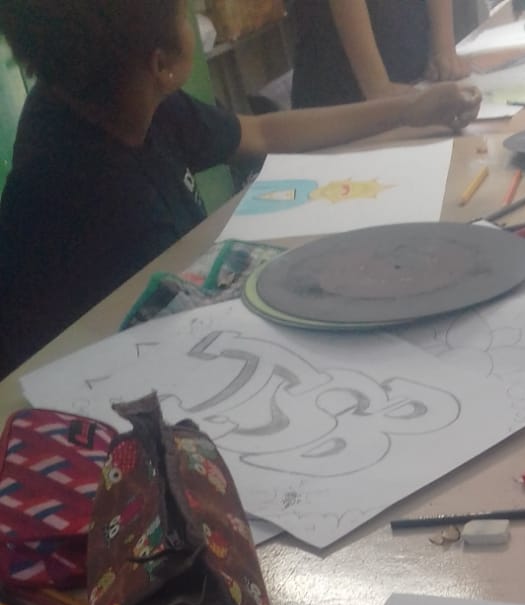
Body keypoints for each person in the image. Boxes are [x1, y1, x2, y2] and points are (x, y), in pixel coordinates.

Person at [0, 0, 480, 376]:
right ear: (163, 63)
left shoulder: (113, 92)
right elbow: (181, 337)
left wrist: (408, 110)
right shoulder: (94, 197)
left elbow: (261, 132)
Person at [290, 0, 471, 109]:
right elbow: (378, 95)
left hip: (414, 75)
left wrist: (443, 48)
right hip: (342, 93)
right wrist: (377, 86)